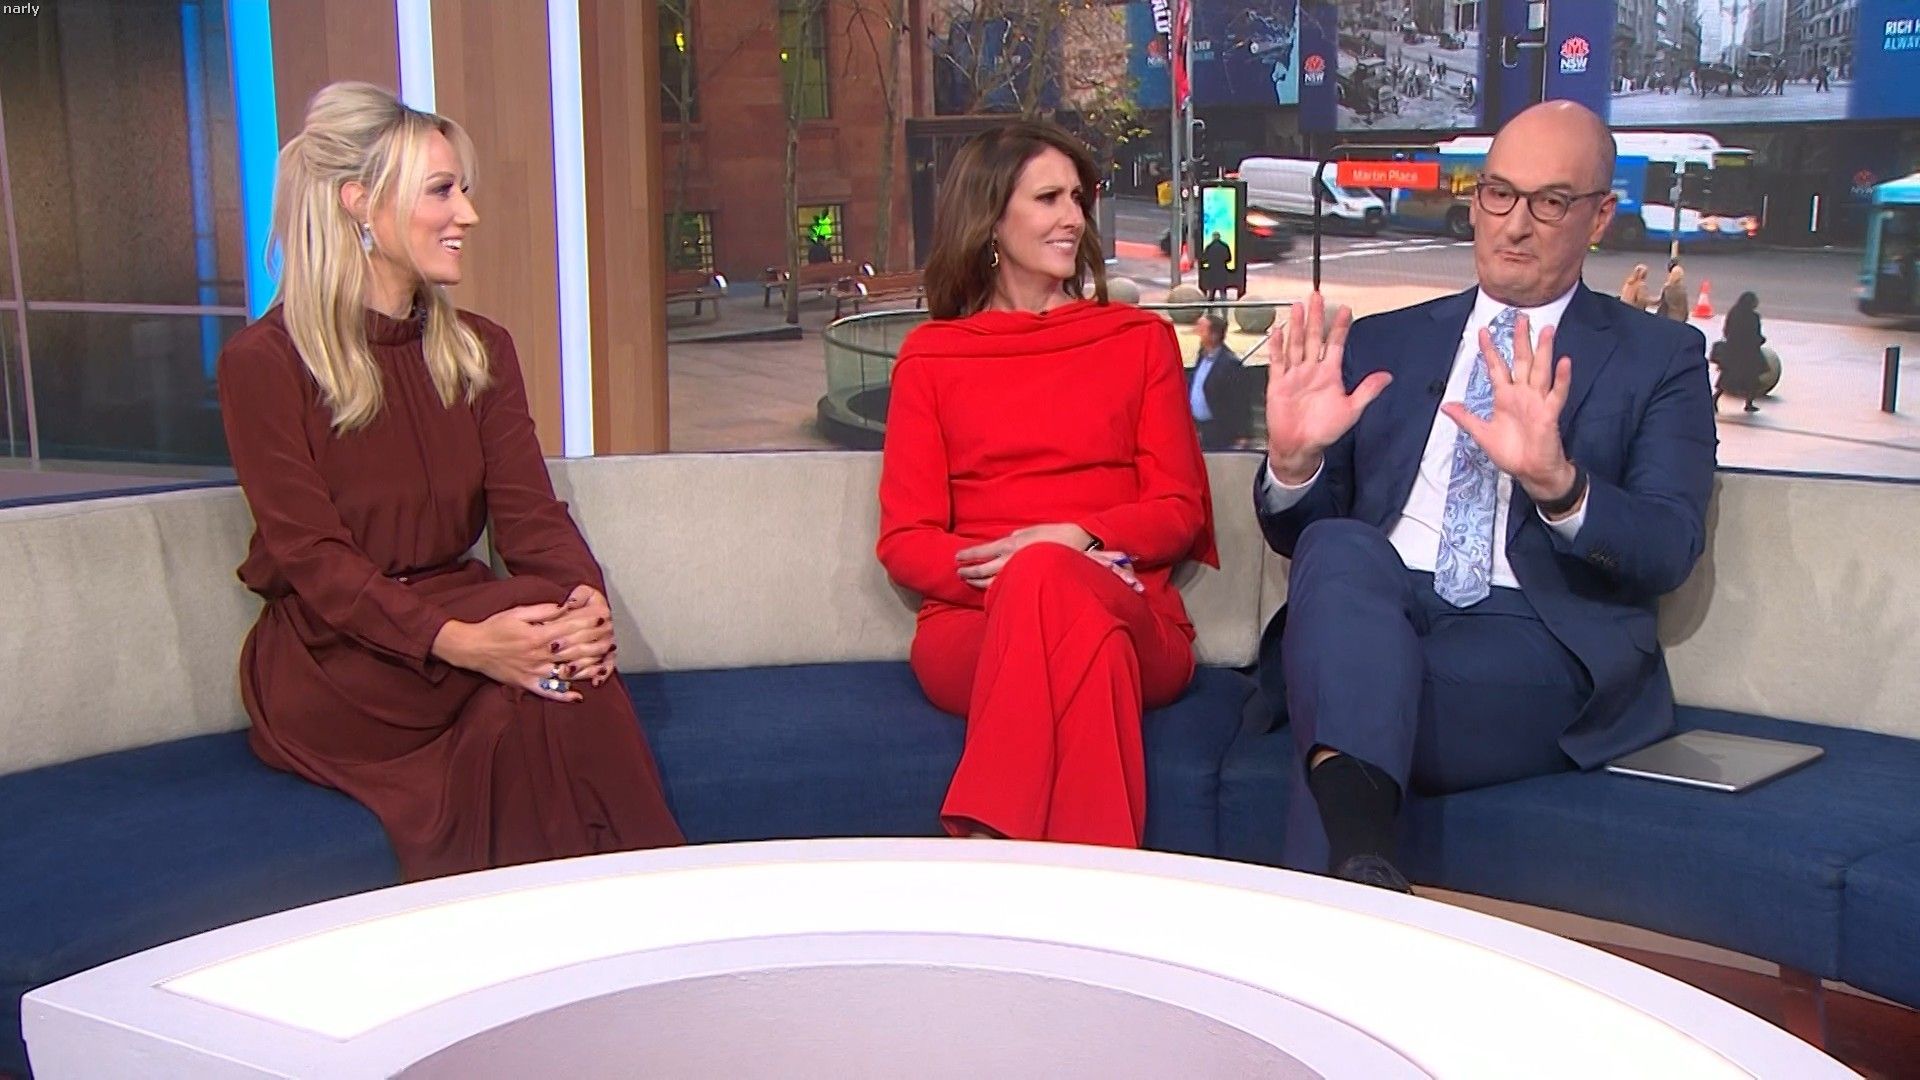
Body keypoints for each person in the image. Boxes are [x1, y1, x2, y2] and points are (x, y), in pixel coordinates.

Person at [216, 83, 682, 880]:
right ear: (360, 204)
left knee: (548, 674)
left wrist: (584, 602)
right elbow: (315, 561)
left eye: (462, 190)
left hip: (466, 617)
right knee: (539, 656)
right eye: (441, 190)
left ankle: (572, 924)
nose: (468, 214)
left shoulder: (480, 349)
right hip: (339, 661)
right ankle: (653, 904)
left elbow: (530, 516)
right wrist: (463, 643)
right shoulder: (264, 365)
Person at [1251, 100, 1715, 890]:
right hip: (1374, 610)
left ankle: (1341, 884)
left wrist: (1559, 486)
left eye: (1550, 202)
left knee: (1344, 705)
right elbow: (1306, 542)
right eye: (1498, 194)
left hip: (1534, 638)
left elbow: (1668, 548)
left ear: (1600, 216)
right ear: (1475, 201)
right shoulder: (1385, 341)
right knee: (1337, 545)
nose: (1515, 225)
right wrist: (1295, 465)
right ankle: (1361, 871)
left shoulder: (1661, 356)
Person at [876, 120, 1217, 847]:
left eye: (1077, 199)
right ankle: (1095, 888)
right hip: (976, 626)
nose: (1073, 218)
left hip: (1128, 605)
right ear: (990, 221)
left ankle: (992, 842)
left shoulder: (1137, 341)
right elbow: (906, 541)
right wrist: (1023, 569)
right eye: (1048, 199)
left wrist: (1078, 540)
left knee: (1059, 586)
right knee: (1076, 627)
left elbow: (1178, 509)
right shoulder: (931, 359)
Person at [1189, 311, 1253, 449]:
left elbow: (1240, 401)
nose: (1197, 332)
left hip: (1219, 430)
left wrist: (1243, 435)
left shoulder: (1230, 364)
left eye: (1202, 329)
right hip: (1199, 428)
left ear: (1214, 335)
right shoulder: (1202, 355)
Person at [1715, 291, 1767, 413]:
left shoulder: (1733, 313)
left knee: (1727, 378)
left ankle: (1714, 399)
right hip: (1749, 354)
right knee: (1752, 379)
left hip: (1733, 352)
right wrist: (1761, 340)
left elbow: (1726, 331)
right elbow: (1755, 335)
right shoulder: (1754, 317)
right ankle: (1749, 403)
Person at [1199, 230, 1235, 301]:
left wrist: (1205, 264)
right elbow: (1229, 258)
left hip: (1212, 270)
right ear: (1219, 237)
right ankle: (1224, 304)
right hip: (1222, 270)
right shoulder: (1224, 246)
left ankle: (1211, 304)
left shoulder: (1209, 247)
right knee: (1222, 289)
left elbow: (1204, 259)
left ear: (1213, 237)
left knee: (1212, 289)